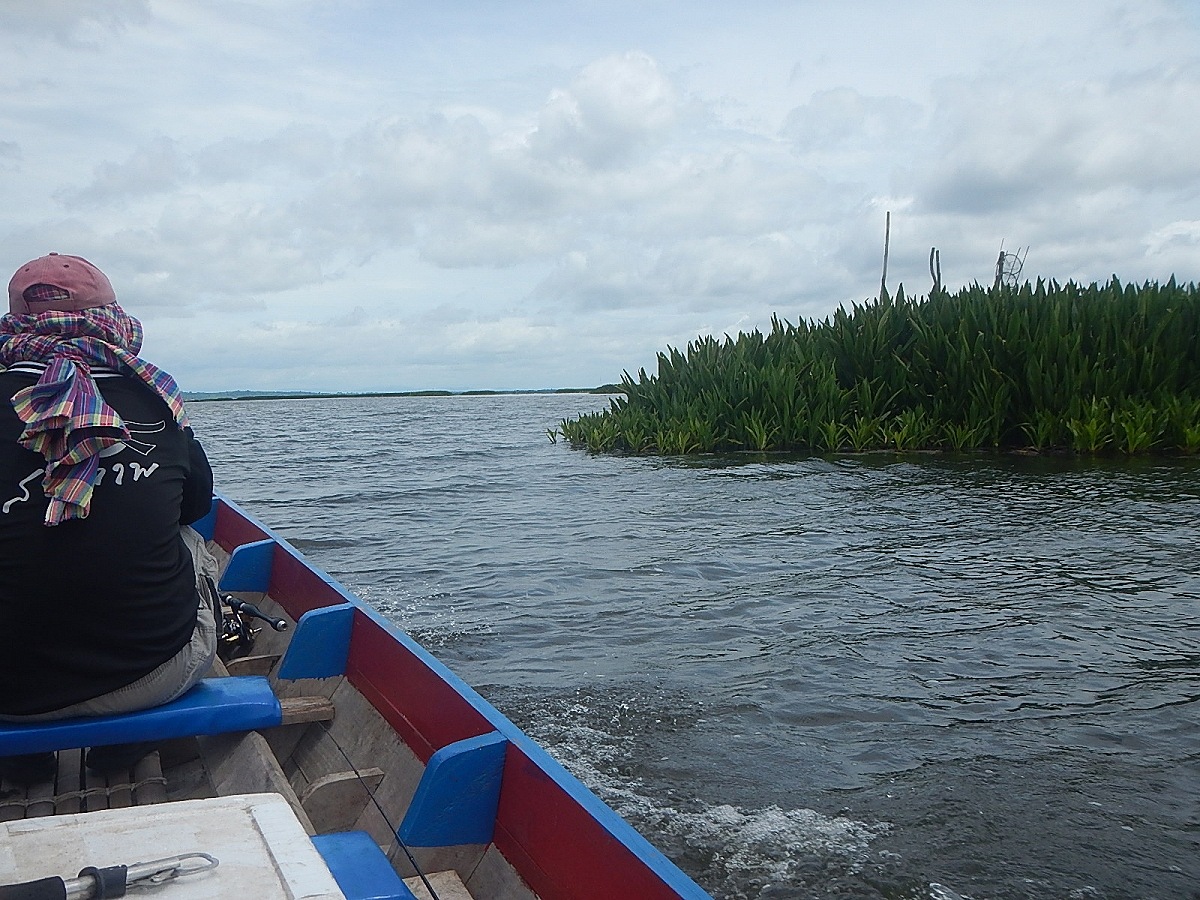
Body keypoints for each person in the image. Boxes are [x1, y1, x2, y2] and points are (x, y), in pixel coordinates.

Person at [0, 253, 219, 783]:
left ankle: (20, 760)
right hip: (150, 675)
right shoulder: (155, 397)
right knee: (189, 537)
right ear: (113, 320)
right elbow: (196, 507)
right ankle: (126, 744)